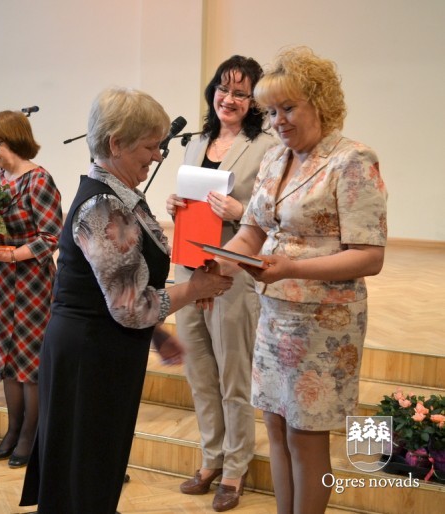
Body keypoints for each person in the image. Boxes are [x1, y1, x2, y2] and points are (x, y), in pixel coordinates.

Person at [20, 87, 234, 514]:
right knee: (84, 472)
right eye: (150, 146)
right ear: (116, 143)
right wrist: (195, 289)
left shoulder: (116, 195)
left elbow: (120, 285)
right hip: (90, 355)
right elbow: (129, 306)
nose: (157, 155)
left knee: (95, 466)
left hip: (102, 349)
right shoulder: (102, 206)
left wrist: (157, 334)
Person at [222, 47, 387, 514]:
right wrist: (218, 263)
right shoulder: (275, 158)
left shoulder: (352, 159)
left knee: (305, 435)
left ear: (320, 103)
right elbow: (252, 233)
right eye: (271, 111)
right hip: (275, 314)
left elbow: (370, 256)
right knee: (276, 429)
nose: (278, 121)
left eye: (288, 108)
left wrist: (291, 267)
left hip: (323, 321)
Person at [165, 56, 277, 511]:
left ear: (254, 101)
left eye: (240, 93)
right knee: (199, 372)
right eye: (223, 89)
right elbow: (192, 202)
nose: (229, 99)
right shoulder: (196, 142)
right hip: (189, 269)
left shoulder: (267, 146)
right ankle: (211, 457)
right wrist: (173, 203)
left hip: (232, 272)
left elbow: (274, 215)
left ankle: (235, 467)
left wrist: (241, 212)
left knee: (233, 376)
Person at [0, 110, 62, 469]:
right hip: (1, 280)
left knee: (30, 362)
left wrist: (11, 254)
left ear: (13, 138)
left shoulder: (38, 180)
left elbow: (51, 237)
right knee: (8, 358)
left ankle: (30, 434)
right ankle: (13, 430)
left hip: (32, 281)